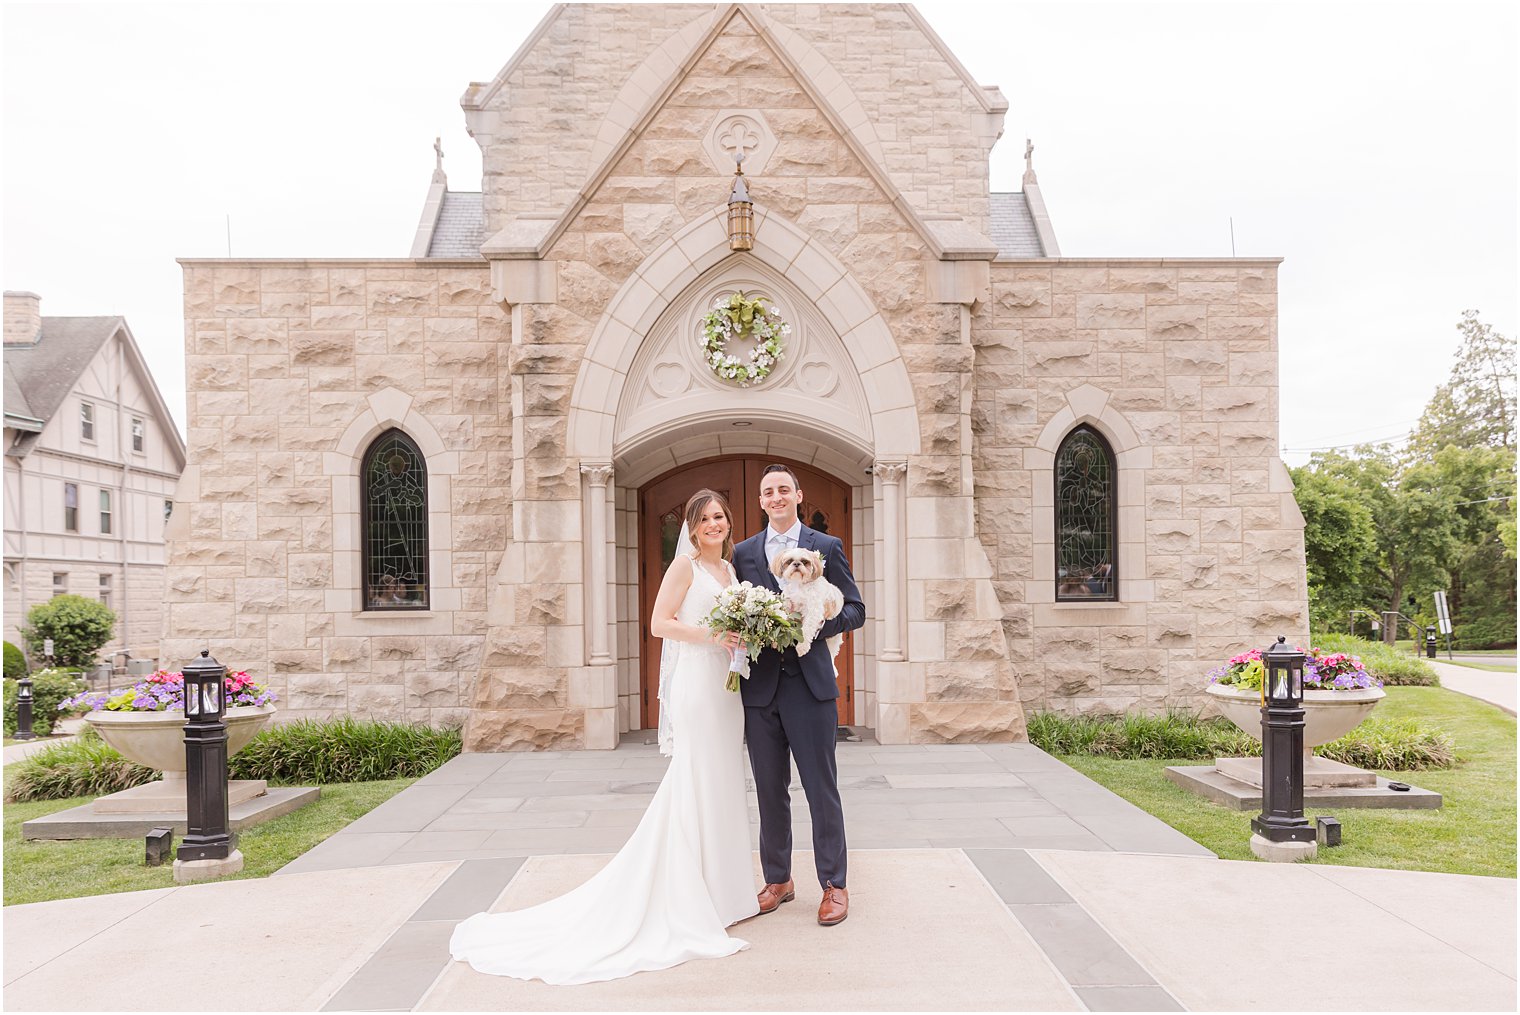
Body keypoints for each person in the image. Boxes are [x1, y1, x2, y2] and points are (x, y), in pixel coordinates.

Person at [449, 489, 758, 984]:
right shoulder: (686, 567)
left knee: (723, 781)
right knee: (696, 779)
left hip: (728, 692)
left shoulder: (732, 571)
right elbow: (660, 624)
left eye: (720, 516)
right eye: (705, 520)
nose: (715, 525)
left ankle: (726, 893)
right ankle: (690, 894)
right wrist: (714, 637)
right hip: (699, 687)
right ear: (693, 528)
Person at [732, 464, 865, 926]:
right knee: (770, 790)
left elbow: (856, 609)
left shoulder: (825, 547)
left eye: (784, 489)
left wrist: (815, 623)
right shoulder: (743, 552)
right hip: (761, 690)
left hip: (810, 688)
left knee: (820, 789)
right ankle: (778, 879)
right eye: (768, 492)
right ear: (761, 501)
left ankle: (834, 884)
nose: (776, 497)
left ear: (798, 495)